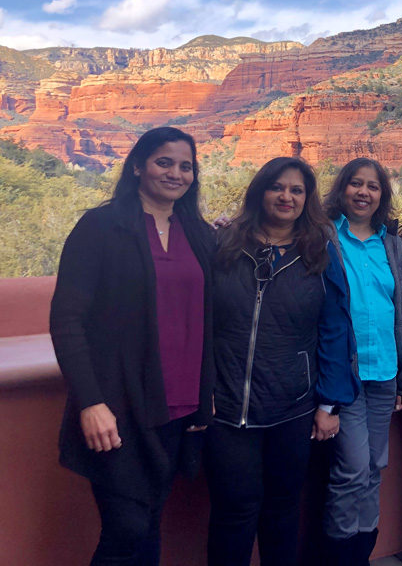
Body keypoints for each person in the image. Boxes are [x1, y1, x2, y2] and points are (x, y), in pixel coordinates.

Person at [50, 126, 216, 566]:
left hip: (178, 408)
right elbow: (67, 320)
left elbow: (215, 317)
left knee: (150, 520)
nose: (176, 174)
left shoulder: (199, 234)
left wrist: (205, 397)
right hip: (117, 406)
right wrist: (90, 402)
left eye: (186, 166)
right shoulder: (100, 227)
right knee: (126, 526)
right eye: (165, 162)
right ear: (138, 165)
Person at [206, 156, 359, 566]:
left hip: (293, 407)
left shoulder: (319, 254)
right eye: (278, 186)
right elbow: (198, 320)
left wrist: (329, 404)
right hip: (228, 407)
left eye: (296, 190)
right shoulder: (223, 245)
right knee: (233, 511)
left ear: (307, 199)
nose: (286, 196)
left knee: (282, 511)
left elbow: (334, 329)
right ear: (261, 190)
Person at [320, 158, 402, 566]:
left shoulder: (390, 242)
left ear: (382, 195)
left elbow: (400, 308)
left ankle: (361, 553)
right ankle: (339, 555)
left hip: (386, 372)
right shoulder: (323, 236)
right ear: (341, 190)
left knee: (375, 467)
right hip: (345, 373)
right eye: (355, 184)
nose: (363, 192)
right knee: (352, 469)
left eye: (372, 186)